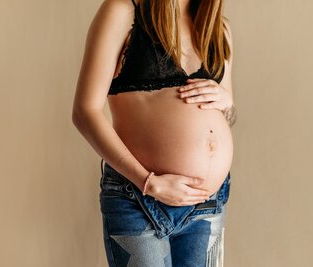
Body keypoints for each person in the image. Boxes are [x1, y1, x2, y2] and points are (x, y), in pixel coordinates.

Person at [72, 0, 236, 266]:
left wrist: (227, 103)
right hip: (139, 199)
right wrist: (148, 181)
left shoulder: (217, 29)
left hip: (208, 203)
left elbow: (227, 112)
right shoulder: (124, 11)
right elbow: (84, 111)